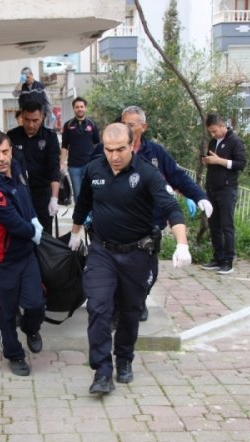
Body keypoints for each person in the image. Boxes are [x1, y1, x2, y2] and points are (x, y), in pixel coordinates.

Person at [68, 123, 192, 395]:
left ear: (132, 144)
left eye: (120, 149)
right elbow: (83, 204)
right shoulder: (94, 169)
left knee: (129, 311)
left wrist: (182, 244)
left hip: (137, 253)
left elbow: (171, 207)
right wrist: (75, 234)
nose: (114, 156)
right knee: (99, 308)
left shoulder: (147, 173)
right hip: (101, 251)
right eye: (109, 150)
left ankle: (124, 358)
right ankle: (102, 371)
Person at [120, 105, 213, 321]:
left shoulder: (155, 153)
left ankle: (140, 299)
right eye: (122, 124)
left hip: (150, 223)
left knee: (147, 269)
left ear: (143, 127)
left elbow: (177, 176)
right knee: (120, 267)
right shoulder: (113, 150)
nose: (126, 128)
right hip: (122, 222)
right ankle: (121, 304)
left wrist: (199, 196)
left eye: (131, 125)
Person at [0, 130, 46, 377]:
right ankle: (15, 355)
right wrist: (34, 232)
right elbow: (11, 221)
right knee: (4, 315)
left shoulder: (15, 167)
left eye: (5, 151)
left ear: (11, 150)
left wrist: (35, 218)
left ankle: (31, 328)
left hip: (25, 255)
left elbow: (26, 198)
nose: (1, 158)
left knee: (35, 305)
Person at [201, 114, 246, 275]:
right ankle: (218, 258)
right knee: (214, 225)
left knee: (227, 226)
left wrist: (219, 161)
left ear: (222, 126)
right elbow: (213, 160)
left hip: (227, 189)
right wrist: (207, 161)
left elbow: (241, 164)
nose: (213, 135)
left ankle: (228, 261)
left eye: (214, 131)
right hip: (212, 187)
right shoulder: (214, 142)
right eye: (210, 132)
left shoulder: (235, 141)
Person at [7, 101, 61, 230]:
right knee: (20, 232)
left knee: (44, 233)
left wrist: (54, 198)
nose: (31, 124)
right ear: (22, 117)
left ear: (42, 117)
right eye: (27, 120)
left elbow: (54, 169)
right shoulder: (12, 136)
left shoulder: (50, 137)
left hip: (42, 193)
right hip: (18, 192)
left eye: (35, 120)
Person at [61, 97, 101, 203]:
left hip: (90, 165)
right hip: (74, 166)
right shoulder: (68, 125)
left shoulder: (92, 124)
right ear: (73, 109)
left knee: (91, 193)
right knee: (78, 194)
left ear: (85, 108)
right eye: (77, 107)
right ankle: (80, 219)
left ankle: (91, 218)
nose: (79, 109)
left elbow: (97, 144)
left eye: (82, 106)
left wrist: (98, 162)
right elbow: (64, 146)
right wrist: (62, 163)